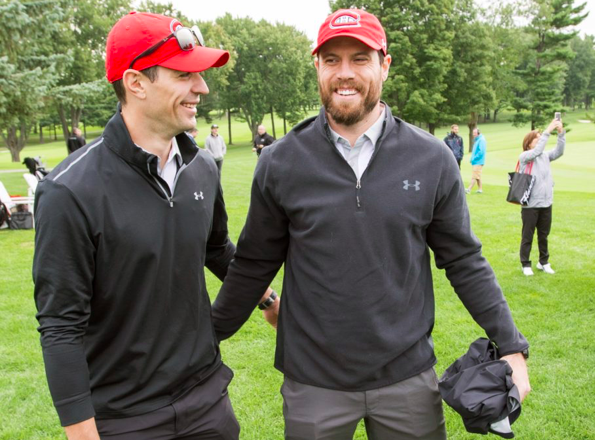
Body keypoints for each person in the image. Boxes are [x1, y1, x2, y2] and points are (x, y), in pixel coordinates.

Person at [211, 9, 530, 440]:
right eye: (332, 60)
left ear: (384, 65)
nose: (345, 73)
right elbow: (252, 265)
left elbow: (463, 260)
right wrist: (206, 337)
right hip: (313, 381)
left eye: (360, 59)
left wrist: (510, 345)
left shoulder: (432, 158)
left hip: (408, 378)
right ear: (318, 67)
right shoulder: (280, 161)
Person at [33, 12, 242, 440]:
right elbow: (60, 325)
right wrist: (82, 433)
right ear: (136, 83)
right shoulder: (69, 191)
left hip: (207, 403)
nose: (201, 88)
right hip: (126, 419)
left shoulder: (202, 166)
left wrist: (268, 298)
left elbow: (216, 249)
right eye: (185, 74)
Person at [518, 119, 565, 276]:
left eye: (540, 138)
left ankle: (543, 262)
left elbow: (559, 151)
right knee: (527, 236)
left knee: (544, 235)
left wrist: (560, 133)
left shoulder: (545, 156)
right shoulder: (525, 156)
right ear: (529, 143)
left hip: (546, 203)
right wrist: (547, 130)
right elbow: (537, 151)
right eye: (536, 139)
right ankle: (525, 264)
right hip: (530, 205)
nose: (539, 141)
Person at [466, 128, 486, 193]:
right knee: (478, 176)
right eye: (473, 133)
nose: (473, 134)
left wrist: (474, 158)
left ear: (478, 133)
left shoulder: (481, 140)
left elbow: (481, 151)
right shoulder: (477, 140)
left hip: (478, 161)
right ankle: (480, 189)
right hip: (476, 161)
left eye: (474, 133)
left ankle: (469, 189)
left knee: (474, 175)